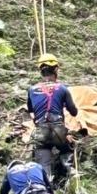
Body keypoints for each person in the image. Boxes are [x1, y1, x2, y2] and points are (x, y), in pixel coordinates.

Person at [27, 54, 78, 183]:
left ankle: (46, 184)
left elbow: (31, 110)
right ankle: (70, 171)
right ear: (56, 70)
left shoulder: (32, 90)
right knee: (66, 147)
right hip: (58, 129)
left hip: (41, 131)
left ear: (41, 71)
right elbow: (74, 112)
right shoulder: (62, 89)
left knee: (44, 165)